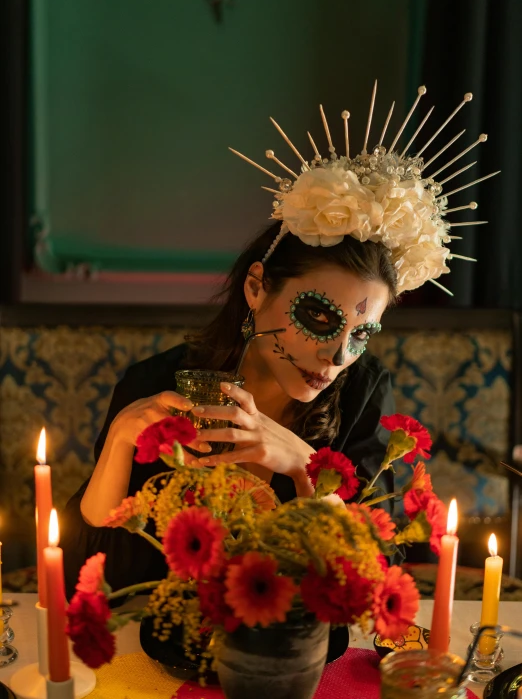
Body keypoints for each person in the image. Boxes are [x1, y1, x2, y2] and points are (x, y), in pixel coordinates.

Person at [62, 84, 491, 600]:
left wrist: (302, 465)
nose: (338, 356)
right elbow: (88, 567)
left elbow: (375, 569)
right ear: (256, 287)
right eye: (318, 315)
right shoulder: (156, 385)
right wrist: (118, 442)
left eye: (363, 333)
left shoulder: (362, 393)